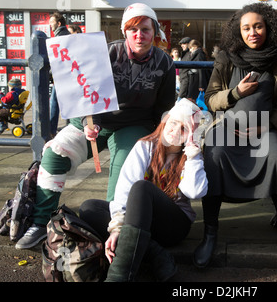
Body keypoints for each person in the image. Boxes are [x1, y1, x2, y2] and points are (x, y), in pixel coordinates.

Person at [15, 3, 176, 250]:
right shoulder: (107, 53)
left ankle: (117, 229)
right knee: (54, 153)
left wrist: (159, 139)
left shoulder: (165, 62)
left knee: (125, 171)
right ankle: (39, 222)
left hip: (134, 123)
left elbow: (163, 107)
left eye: (145, 29)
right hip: (93, 117)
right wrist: (93, 124)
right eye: (133, 29)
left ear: (154, 31)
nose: (139, 35)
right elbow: (86, 92)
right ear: (125, 32)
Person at [193, 2, 277, 269]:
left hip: (262, 129)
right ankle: (210, 234)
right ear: (238, 32)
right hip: (226, 127)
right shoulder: (226, 59)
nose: (252, 32)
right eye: (246, 28)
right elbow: (210, 98)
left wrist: (266, 126)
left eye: (258, 26)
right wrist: (236, 93)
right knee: (214, 156)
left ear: (269, 28)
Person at [79, 98, 208, 282]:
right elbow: (124, 189)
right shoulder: (146, 146)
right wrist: (117, 229)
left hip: (173, 224)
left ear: (192, 133)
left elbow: (194, 192)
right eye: (173, 123)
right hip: (141, 223)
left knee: (141, 189)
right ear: (165, 121)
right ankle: (156, 253)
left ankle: (119, 276)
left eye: (184, 128)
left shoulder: (191, 155)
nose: (175, 131)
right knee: (89, 208)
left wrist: (192, 152)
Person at [48, 12, 71, 136]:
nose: (50, 25)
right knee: (67, 103)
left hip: (60, 75)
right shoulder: (67, 35)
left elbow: (56, 60)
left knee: (54, 103)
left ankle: (52, 130)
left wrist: (50, 72)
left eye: (52, 22)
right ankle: (69, 127)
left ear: (59, 23)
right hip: (66, 74)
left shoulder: (58, 37)